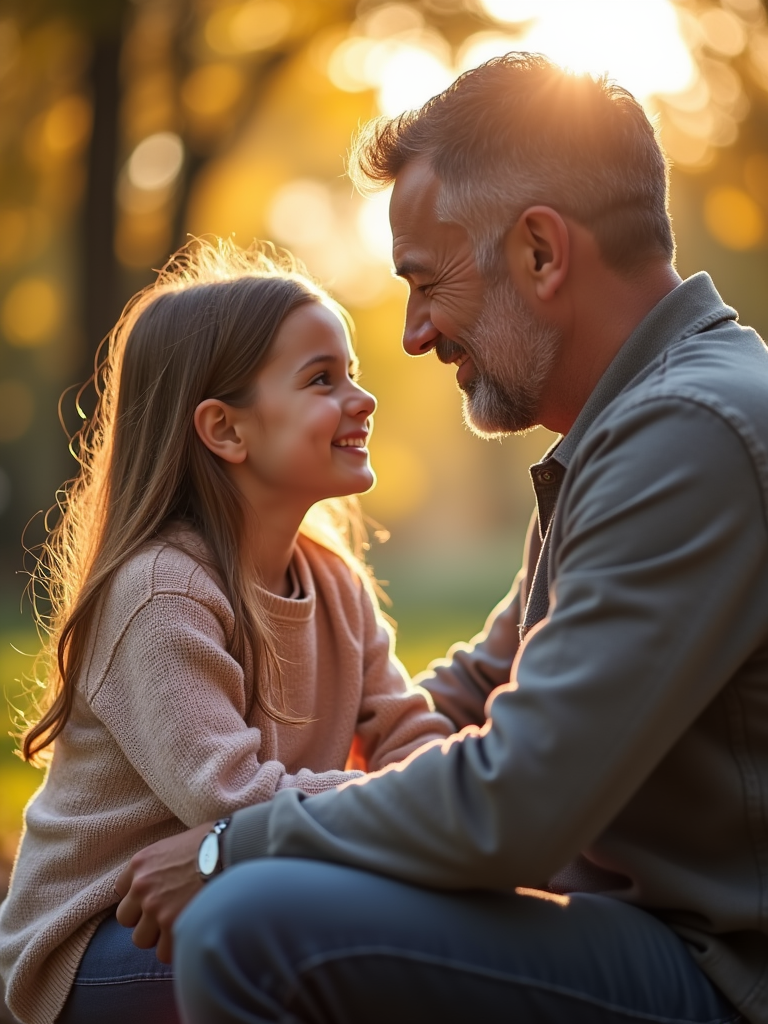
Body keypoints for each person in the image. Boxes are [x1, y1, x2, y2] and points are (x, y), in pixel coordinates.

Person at [115, 53, 768, 1023]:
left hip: (727, 975)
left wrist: (236, 842)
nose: (415, 336)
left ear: (541, 254)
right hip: (665, 940)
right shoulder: (637, 426)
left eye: (425, 283)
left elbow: (513, 803)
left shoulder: (690, 436)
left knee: (249, 922)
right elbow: (477, 693)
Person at [0, 239, 453, 1024]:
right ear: (226, 431)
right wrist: (415, 803)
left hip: (231, 896)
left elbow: (414, 741)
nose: (361, 398)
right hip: (96, 945)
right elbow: (236, 801)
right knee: (347, 941)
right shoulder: (159, 591)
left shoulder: (335, 581)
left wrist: (431, 795)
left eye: (353, 373)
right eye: (322, 380)